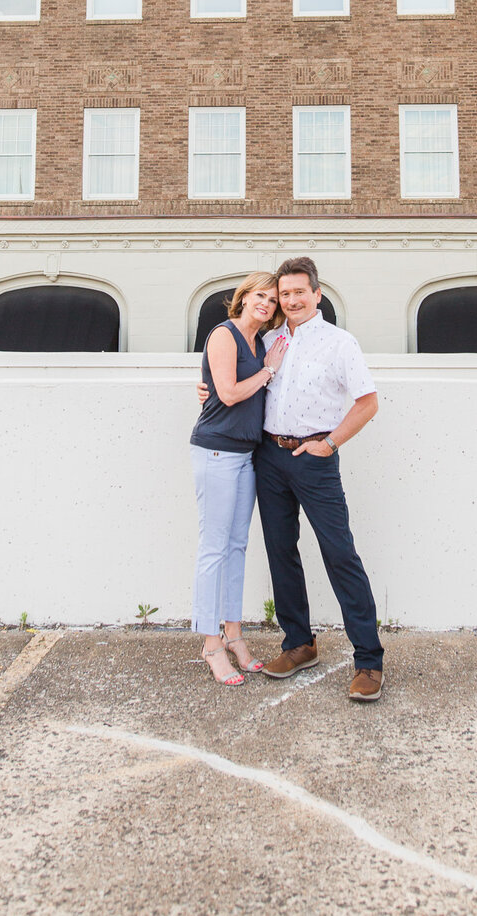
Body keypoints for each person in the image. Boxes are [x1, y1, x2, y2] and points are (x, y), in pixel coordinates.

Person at [256, 257, 384, 703]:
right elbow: (243, 382)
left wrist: (329, 444)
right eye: (284, 294)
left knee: (339, 553)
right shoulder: (270, 340)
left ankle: (368, 660)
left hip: (315, 458)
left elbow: (367, 403)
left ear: (317, 294)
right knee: (280, 551)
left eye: (298, 292)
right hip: (269, 457)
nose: (290, 300)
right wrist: (206, 389)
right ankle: (299, 644)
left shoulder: (339, 343)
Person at [190, 273, 288, 687]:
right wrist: (266, 373)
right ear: (243, 298)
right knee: (214, 548)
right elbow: (228, 394)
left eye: (273, 300)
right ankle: (211, 644)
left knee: (236, 547)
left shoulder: (261, 343)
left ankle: (234, 635)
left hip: (247, 455)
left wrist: (264, 368)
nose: (266, 303)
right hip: (216, 451)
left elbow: (223, 389)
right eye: (259, 295)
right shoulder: (224, 335)